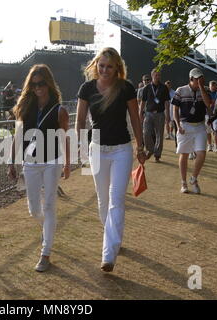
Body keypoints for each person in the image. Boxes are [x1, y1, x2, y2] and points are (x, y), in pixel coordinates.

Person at [75, 47, 146, 272]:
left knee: (116, 199)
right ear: (96, 65)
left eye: (109, 66)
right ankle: (114, 238)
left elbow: (135, 118)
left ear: (117, 69)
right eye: (101, 65)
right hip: (97, 149)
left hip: (121, 150)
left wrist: (140, 145)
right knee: (103, 201)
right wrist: (81, 148)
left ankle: (108, 254)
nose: (105, 70)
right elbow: (79, 122)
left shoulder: (126, 88)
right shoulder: (86, 88)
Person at [7, 64, 70, 272]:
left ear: (49, 83)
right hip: (30, 162)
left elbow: (64, 138)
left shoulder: (60, 109)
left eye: (42, 83)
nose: (38, 88)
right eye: (34, 85)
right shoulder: (25, 107)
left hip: (52, 161)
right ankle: (47, 227)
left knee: (50, 204)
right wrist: (11, 161)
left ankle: (45, 253)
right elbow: (17, 135)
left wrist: (67, 163)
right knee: (34, 209)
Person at [172, 68, 211, 194]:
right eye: (197, 79)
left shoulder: (204, 90)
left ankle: (193, 179)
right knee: (184, 154)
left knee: (201, 154)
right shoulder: (180, 90)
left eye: (201, 78)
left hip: (199, 126)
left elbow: (208, 103)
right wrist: (178, 125)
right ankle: (183, 182)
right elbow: (175, 109)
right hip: (185, 125)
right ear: (191, 79)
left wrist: (201, 87)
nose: (199, 81)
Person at [139, 68, 170, 162]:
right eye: (156, 75)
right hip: (148, 114)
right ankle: (150, 149)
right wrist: (140, 113)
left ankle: (157, 155)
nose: (158, 77)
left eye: (159, 75)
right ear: (152, 76)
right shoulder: (147, 88)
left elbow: (166, 102)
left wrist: (167, 115)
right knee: (146, 133)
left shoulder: (164, 88)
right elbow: (142, 102)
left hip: (160, 114)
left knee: (159, 135)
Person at [207, 80, 217, 152]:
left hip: (215, 115)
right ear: (209, 86)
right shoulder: (206, 93)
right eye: (212, 85)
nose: (213, 87)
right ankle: (209, 145)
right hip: (207, 114)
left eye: (214, 85)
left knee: (215, 130)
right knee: (208, 131)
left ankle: (216, 146)